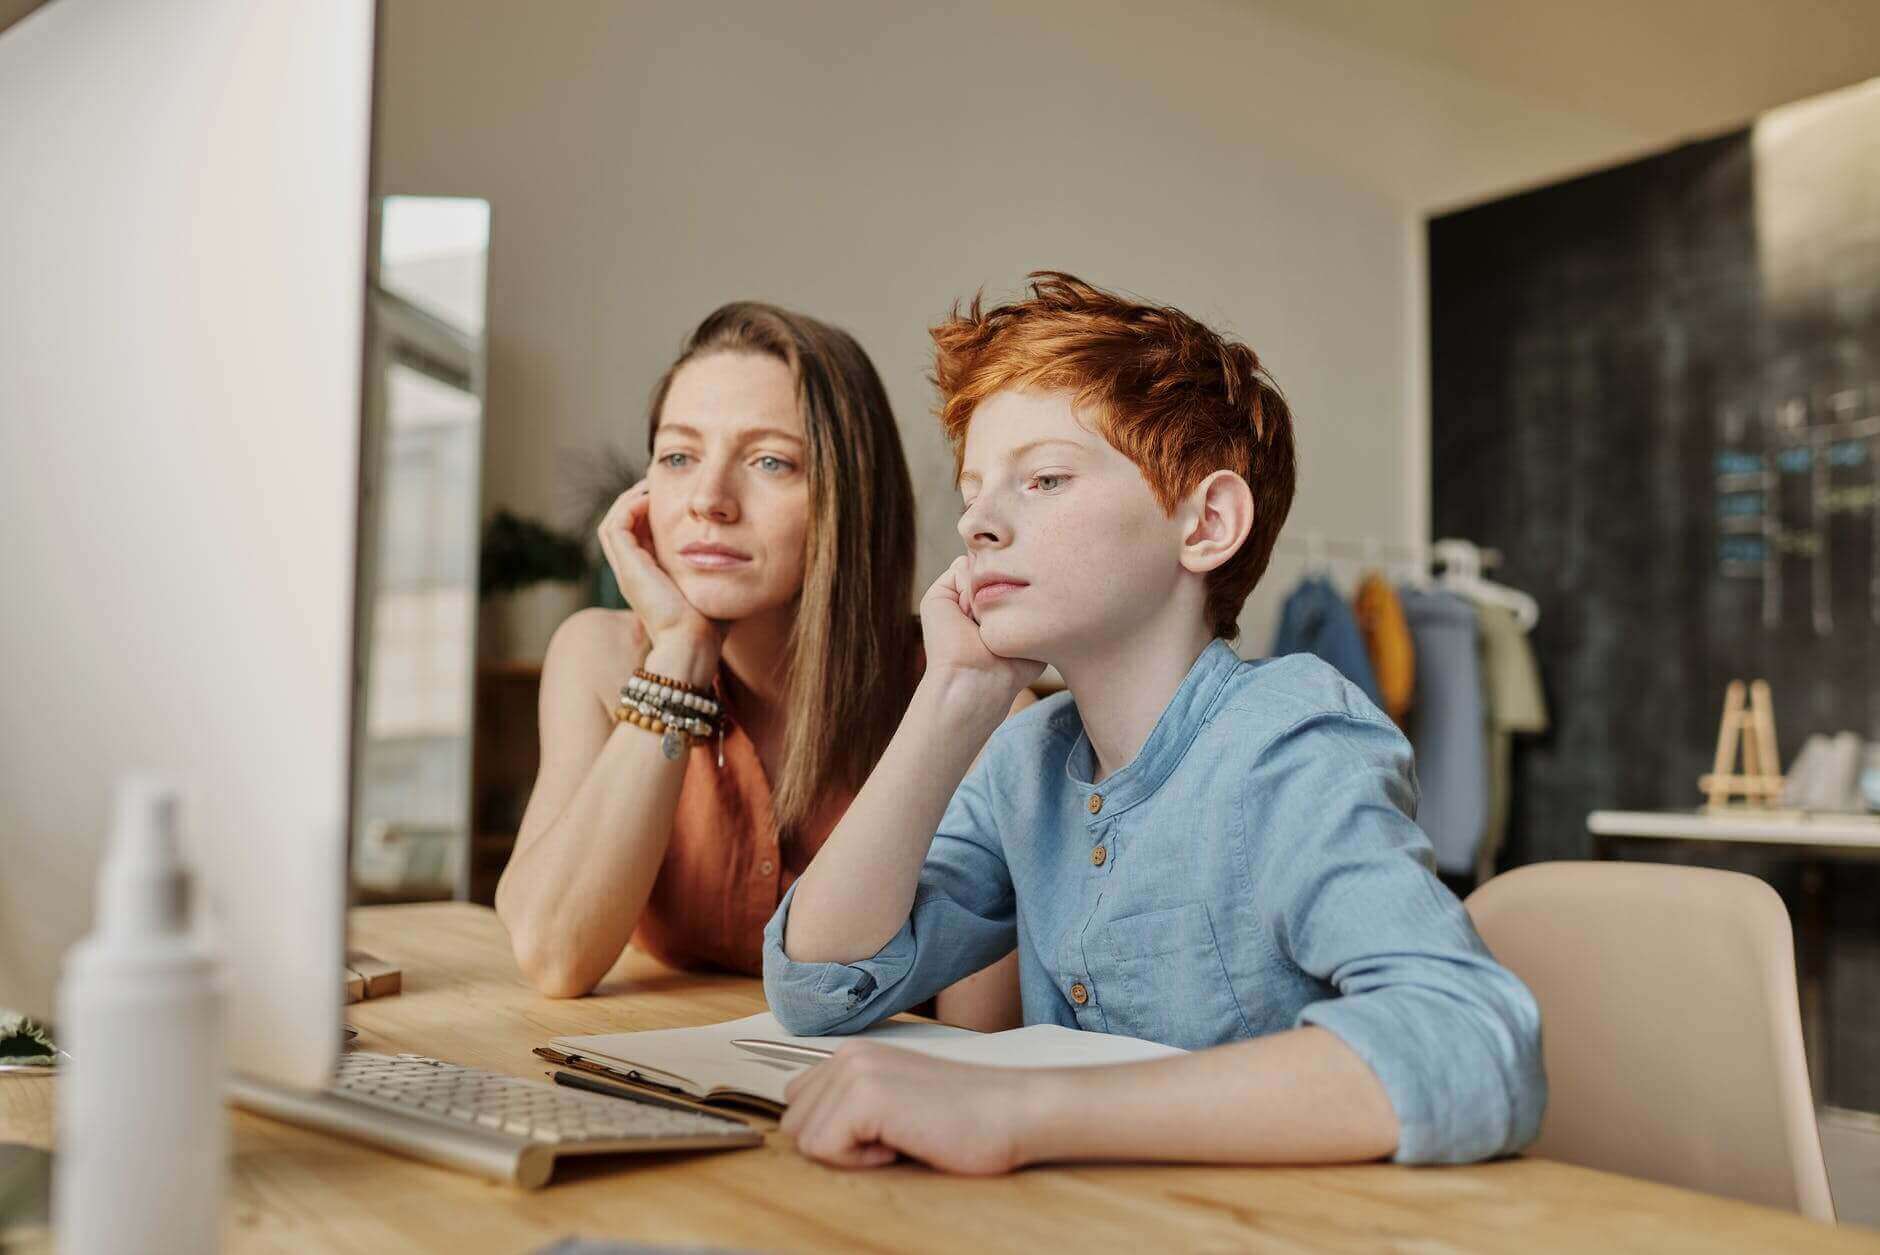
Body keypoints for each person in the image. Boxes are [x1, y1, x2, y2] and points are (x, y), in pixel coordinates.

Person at [764, 273, 1546, 1173]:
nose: (977, 521)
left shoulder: (1289, 740)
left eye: (1044, 478)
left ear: (1206, 523)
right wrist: (954, 696)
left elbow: (1470, 1040)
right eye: (973, 489)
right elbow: (816, 985)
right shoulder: (1025, 758)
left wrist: (1025, 1110)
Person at [496, 301, 1022, 1028]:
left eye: (770, 461)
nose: (708, 501)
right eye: (679, 456)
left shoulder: (967, 697)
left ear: (849, 493)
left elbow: (978, 1042)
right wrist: (679, 652)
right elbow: (555, 954)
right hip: (643, 1074)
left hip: (865, 1109)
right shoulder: (598, 656)